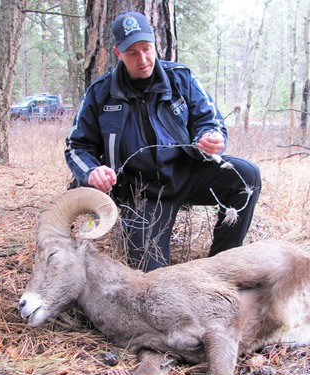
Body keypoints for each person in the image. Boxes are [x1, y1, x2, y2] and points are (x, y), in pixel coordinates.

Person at [65, 11, 261, 272]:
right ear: (117, 53)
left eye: (147, 48)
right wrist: (92, 171)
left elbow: (209, 120)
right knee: (151, 279)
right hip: (142, 194)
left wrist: (210, 137)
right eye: (132, 53)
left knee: (246, 176)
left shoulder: (181, 78)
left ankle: (222, 264)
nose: (143, 59)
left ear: (155, 43)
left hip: (187, 174)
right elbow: (77, 146)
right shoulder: (101, 93)